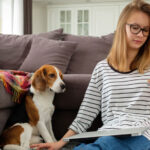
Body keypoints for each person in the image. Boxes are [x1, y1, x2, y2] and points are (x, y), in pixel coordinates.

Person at [31, 0, 150, 149]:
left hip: (145, 135)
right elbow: (86, 113)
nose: (141, 34)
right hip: (111, 134)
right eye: (135, 27)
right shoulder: (102, 68)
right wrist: (60, 143)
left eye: (146, 30)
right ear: (122, 27)